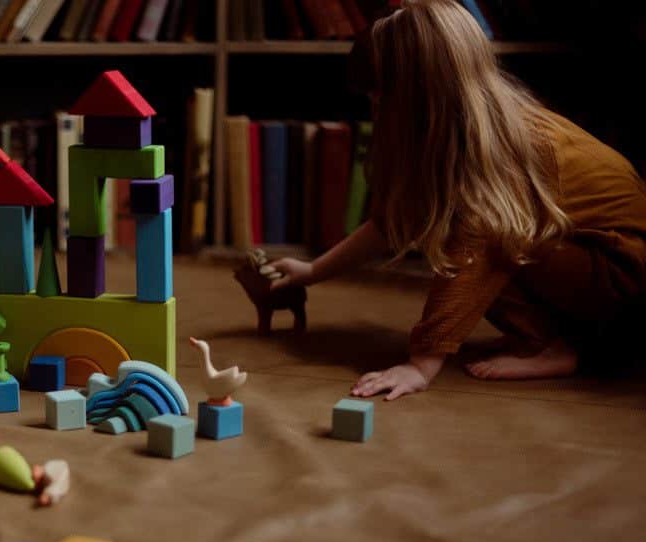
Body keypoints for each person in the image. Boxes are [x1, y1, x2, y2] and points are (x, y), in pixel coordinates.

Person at [270, 0, 646, 400]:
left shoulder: (510, 143)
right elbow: (395, 221)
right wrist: (313, 271)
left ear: (421, 96)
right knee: (457, 221)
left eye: (381, 99)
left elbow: (476, 250)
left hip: (623, 278)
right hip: (580, 264)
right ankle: (551, 338)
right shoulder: (455, 132)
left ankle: (549, 346)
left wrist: (421, 364)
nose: (375, 110)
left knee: (481, 232)